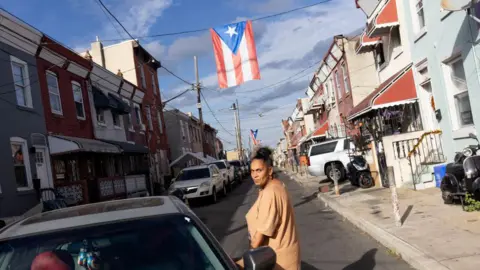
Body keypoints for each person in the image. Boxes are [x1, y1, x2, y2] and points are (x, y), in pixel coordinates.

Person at [238, 147, 301, 270]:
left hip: (277, 261)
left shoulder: (270, 192)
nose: (254, 175)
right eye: (252, 171)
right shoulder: (277, 185)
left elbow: (258, 239)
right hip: (286, 256)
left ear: (270, 170)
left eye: (259, 170)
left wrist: (243, 263)